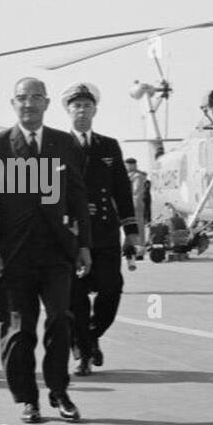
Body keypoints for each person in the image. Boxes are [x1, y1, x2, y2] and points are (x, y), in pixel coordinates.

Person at [0, 77, 91, 424]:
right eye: (23, 98)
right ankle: (27, 398)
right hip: (14, 254)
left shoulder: (63, 143)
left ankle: (58, 391)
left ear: (47, 103)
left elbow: (77, 196)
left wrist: (83, 244)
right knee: (19, 330)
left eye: (36, 97)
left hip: (56, 251)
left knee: (60, 320)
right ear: (13, 104)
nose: (29, 104)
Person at [61, 83, 138, 376]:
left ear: (95, 110)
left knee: (111, 288)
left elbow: (122, 190)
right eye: (76, 106)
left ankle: (91, 336)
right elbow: (48, 192)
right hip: (71, 234)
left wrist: (131, 230)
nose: (82, 110)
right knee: (75, 297)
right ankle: (82, 351)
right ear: (68, 110)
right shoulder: (57, 145)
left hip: (105, 233)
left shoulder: (108, 146)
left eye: (87, 106)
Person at [125, 158, 151, 259]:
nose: (126, 167)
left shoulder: (137, 176)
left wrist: (132, 204)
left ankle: (139, 251)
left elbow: (137, 193)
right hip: (129, 204)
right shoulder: (131, 175)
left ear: (133, 165)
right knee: (129, 227)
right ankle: (129, 249)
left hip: (134, 205)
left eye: (127, 165)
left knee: (137, 228)